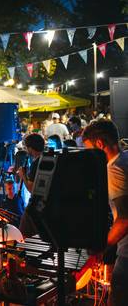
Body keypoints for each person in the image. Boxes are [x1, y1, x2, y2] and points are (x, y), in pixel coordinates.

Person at [82, 119, 128, 305]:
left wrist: (102, 246)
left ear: (99, 144)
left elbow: (125, 220)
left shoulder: (114, 169)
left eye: (89, 149)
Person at [17, 133, 45, 237]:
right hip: (47, 203)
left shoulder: (36, 163)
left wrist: (23, 175)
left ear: (31, 148)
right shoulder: (47, 158)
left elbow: (31, 188)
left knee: (24, 234)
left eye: (27, 147)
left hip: (36, 204)